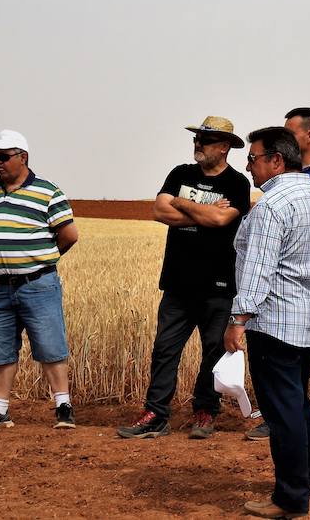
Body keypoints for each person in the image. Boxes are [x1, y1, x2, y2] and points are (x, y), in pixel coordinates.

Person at [226, 126, 310, 520]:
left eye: (253, 158)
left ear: (276, 160)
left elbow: (257, 271)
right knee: (299, 404)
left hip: (272, 323)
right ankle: (305, 478)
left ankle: (290, 498)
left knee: (282, 412)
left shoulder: (272, 207)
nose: (249, 166)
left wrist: (238, 319)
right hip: (309, 323)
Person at [118, 116, 251, 440]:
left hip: (219, 286)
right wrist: (192, 206)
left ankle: (205, 412)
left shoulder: (237, 183)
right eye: (197, 139)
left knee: (213, 352)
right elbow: (160, 210)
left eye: (206, 141)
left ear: (223, 148)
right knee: (164, 350)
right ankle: (155, 414)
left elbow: (222, 219)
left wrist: (183, 205)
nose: (198, 144)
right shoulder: (180, 174)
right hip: (177, 283)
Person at [247, 108, 310, 448]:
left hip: (305, 283)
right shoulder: (297, 174)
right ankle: (284, 414)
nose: (286, 136)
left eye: (290, 131)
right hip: (289, 290)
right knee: (296, 362)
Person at [0, 129, 79, 433]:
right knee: (0, 348)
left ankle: (63, 407)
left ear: (23, 157)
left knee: (50, 346)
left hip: (38, 284)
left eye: (3, 157)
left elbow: (69, 235)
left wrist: (40, 259)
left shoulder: (48, 192)